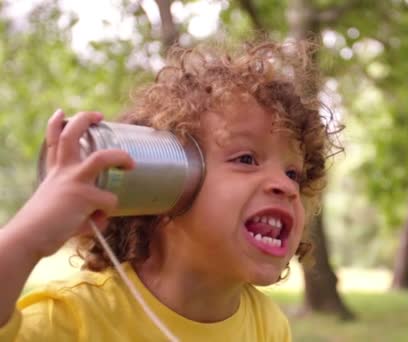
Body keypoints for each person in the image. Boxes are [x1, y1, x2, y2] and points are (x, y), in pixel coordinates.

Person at [0, 38, 339, 341]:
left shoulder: (267, 326)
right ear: (165, 183)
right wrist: (29, 237)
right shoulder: (76, 318)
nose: (285, 186)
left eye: (293, 172)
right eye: (247, 158)